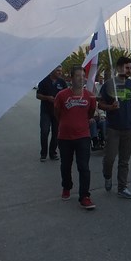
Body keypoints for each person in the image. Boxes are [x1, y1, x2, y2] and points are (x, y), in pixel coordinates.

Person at [98, 56, 131, 199]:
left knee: (124, 161)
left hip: (129, 128)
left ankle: (122, 187)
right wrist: (110, 107)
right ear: (118, 68)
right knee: (109, 159)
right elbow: (100, 104)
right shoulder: (108, 85)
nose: (129, 70)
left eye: (130, 68)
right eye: (126, 67)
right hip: (113, 128)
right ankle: (107, 175)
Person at [54, 66, 96, 210]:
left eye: (83, 76)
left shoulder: (90, 96)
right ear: (71, 78)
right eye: (78, 76)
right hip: (65, 137)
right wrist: (66, 123)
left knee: (84, 167)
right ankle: (67, 186)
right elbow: (57, 113)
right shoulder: (61, 95)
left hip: (83, 136)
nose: (81, 78)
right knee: (66, 165)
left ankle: (84, 196)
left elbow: (91, 113)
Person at [36, 66, 67, 161]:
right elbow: (38, 95)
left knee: (56, 132)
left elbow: (66, 95)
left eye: (61, 71)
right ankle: (43, 154)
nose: (60, 72)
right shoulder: (44, 81)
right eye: (58, 71)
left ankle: (53, 153)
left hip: (57, 112)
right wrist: (47, 98)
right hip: (45, 111)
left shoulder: (62, 82)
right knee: (44, 131)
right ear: (52, 71)